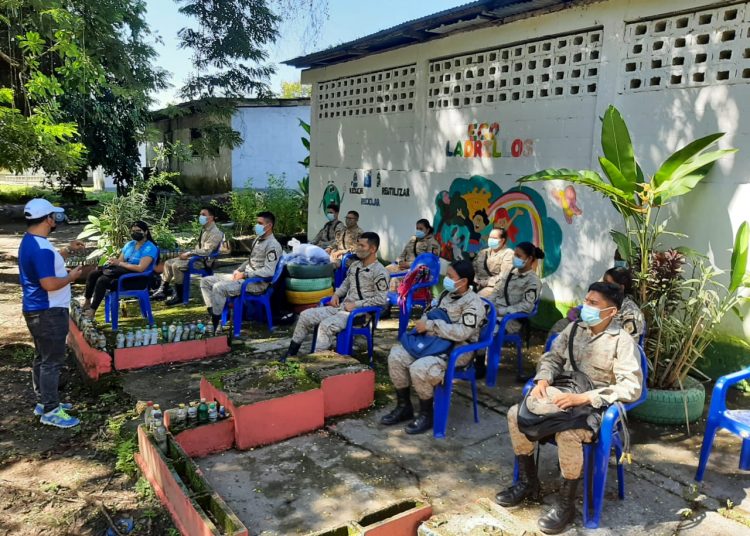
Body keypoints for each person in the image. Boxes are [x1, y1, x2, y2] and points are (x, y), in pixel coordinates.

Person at [495, 282, 643, 535]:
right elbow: (552, 358)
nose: (586, 307)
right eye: (586, 300)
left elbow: (632, 387)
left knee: (568, 434)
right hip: (564, 394)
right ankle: (529, 483)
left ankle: (566, 504)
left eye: (594, 303)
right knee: (514, 414)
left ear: (611, 311)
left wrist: (584, 398)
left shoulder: (622, 342)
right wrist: (543, 379)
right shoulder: (574, 328)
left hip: (594, 408)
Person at [381, 260, 486, 435]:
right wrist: (424, 322)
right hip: (432, 343)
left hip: (457, 349)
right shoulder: (446, 294)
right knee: (396, 355)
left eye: (451, 277)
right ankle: (404, 406)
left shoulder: (473, 304)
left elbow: (462, 332)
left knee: (420, 368)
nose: (447, 280)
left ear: (463, 281)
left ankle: (426, 414)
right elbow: (429, 312)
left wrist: (431, 326)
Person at [19, 199, 85, 428]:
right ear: (48, 219)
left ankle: (44, 401)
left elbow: (47, 263)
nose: (56, 220)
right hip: (49, 312)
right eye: (54, 216)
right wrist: (71, 277)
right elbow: (48, 283)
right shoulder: (41, 249)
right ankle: (51, 411)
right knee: (51, 362)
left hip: (36, 310)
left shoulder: (31, 241)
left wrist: (67, 251)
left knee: (42, 357)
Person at [285, 232, 389, 358]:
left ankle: (318, 361)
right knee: (305, 315)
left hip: (360, 314)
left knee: (326, 326)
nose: (358, 248)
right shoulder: (355, 265)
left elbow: (381, 299)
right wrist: (336, 295)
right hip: (342, 308)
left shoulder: (380, 272)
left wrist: (355, 305)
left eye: (362, 246)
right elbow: (346, 283)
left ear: (372, 249)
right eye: (358, 245)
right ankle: (290, 354)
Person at [200, 211, 282, 332]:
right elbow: (250, 260)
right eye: (257, 223)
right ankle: (215, 314)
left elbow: (269, 271)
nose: (256, 226)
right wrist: (238, 270)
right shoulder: (258, 239)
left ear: (269, 226)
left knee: (218, 287)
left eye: (260, 223)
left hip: (255, 283)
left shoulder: (273, 245)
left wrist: (245, 274)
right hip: (244, 278)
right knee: (206, 281)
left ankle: (216, 324)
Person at [82, 221, 158, 317]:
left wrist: (120, 263)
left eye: (138, 231)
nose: (135, 233)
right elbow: (119, 262)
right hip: (123, 274)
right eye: (133, 231)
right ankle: (87, 302)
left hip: (137, 279)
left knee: (102, 280)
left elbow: (140, 268)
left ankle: (92, 311)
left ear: (146, 232)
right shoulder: (130, 245)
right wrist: (113, 262)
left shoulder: (150, 248)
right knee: (93, 274)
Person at [549, 267, 645, 342]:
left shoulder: (631, 313)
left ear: (621, 288)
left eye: (607, 283)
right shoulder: (601, 298)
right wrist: (576, 311)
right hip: (586, 335)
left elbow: (629, 343)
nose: (603, 285)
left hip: (607, 348)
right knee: (561, 325)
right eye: (603, 281)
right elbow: (585, 310)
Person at [152, 206, 224, 305]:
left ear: (211, 217)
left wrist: (190, 253)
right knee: (168, 263)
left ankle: (180, 296)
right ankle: (163, 290)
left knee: (177, 265)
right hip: (196, 257)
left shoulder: (215, 233)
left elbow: (206, 251)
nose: (200, 217)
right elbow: (199, 248)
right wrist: (188, 252)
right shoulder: (205, 230)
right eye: (200, 214)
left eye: (203, 215)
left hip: (203, 262)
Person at [491, 242, 544, 334]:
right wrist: (488, 305)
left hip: (510, 319)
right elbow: (496, 290)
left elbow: (526, 306)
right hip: (495, 311)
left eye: (518, 256)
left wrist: (500, 311)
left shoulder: (533, 281)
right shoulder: (510, 272)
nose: (514, 258)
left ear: (529, 259)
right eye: (514, 255)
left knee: (484, 329)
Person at [385, 218, 441, 291]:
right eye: (417, 228)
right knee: (382, 272)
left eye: (421, 229)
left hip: (417, 271)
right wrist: (400, 262)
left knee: (395, 280)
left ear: (427, 230)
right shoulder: (413, 239)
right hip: (403, 266)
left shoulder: (433, 244)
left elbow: (429, 263)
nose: (418, 231)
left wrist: (409, 265)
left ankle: (394, 297)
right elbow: (404, 253)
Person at [473, 227, 515, 298]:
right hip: (477, 285)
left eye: (494, 238)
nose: (490, 240)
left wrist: (485, 282)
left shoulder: (508, 254)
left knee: (477, 299)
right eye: (490, 237)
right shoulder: (483, 252)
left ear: (502, 240)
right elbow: (474, 268)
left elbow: (504, 277)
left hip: (495, 287)